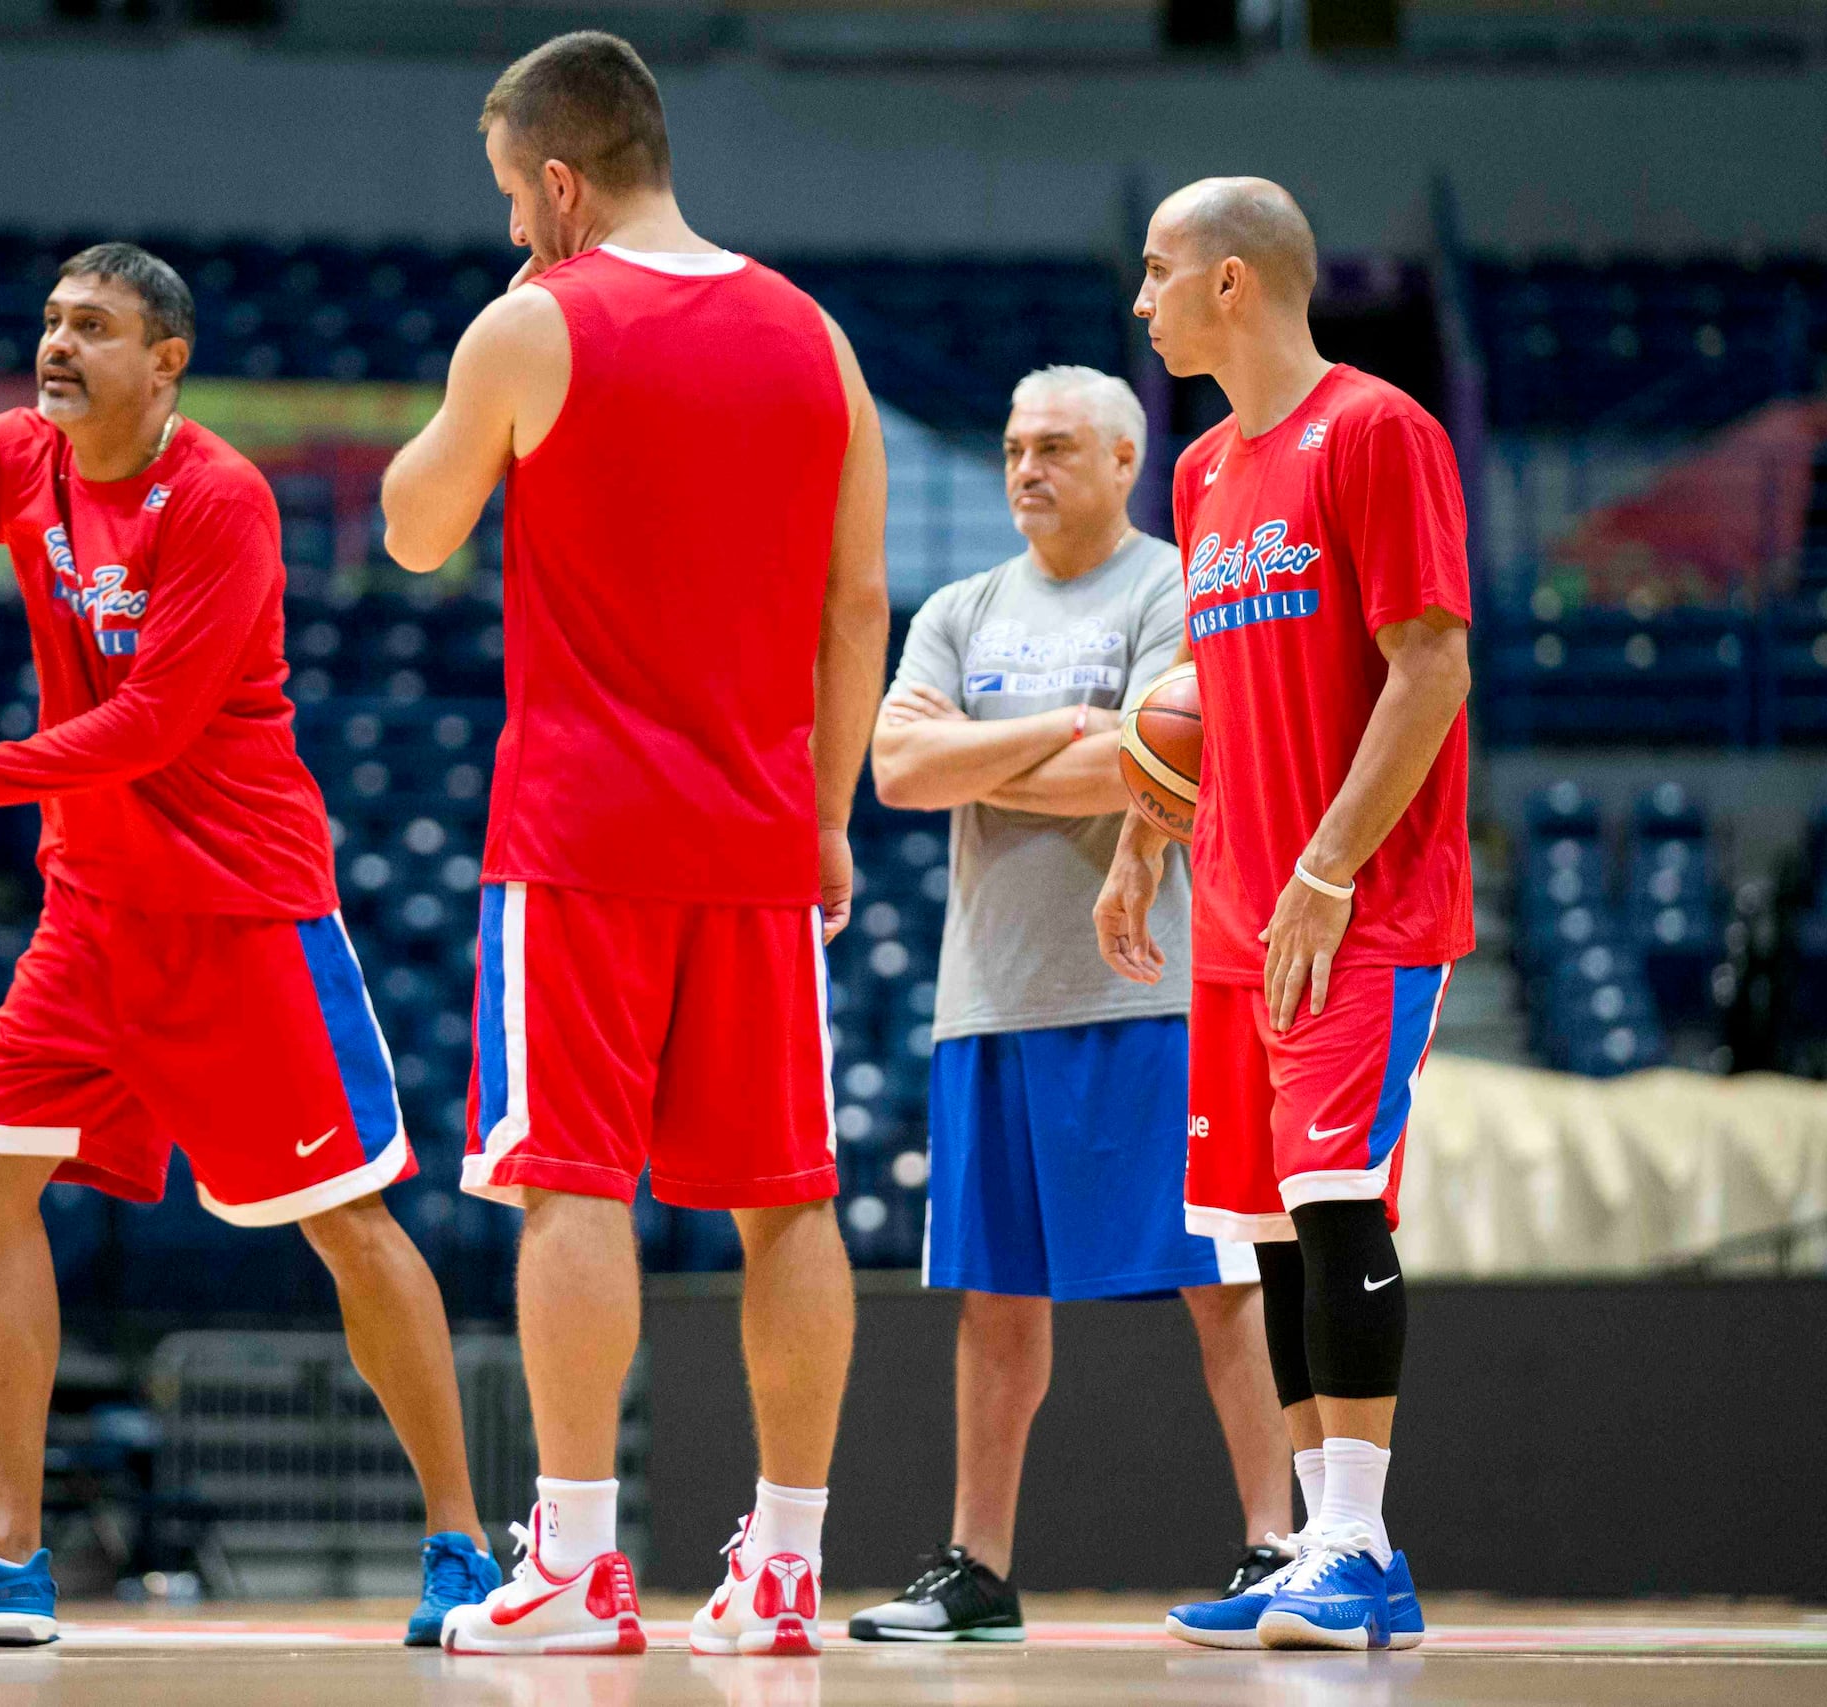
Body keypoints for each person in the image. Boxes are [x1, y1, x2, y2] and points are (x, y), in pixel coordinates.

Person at [0, 139, 500, 1648]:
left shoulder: (220, 500)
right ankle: (1, 1551)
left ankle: (462, 1543)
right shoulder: (21, 461)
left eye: (92, 324)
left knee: (350, 1226)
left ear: (165, 362)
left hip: (239, 914)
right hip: (93, 914)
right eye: (51, 319)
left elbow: (150, 728)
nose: (55, 341)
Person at [379, 32, 890, 1659]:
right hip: (758, 827)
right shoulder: (817, 335)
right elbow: (857, 599)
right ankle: (789, 1567)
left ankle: (583, 1561)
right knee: (787, 1198)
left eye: (509, 195)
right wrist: (826, 821)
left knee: (569, 1181)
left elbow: (411, 525)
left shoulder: (533, 321)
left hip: (584, 826)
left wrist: (484, 361)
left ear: (555, 179)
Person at [847, 366, 1294, 1644]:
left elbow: (1153, 763)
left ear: (1119, 459)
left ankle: (1277, 1541)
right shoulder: (956, 608)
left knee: (1221, 1283)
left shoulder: (1172, 586)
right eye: (1009, 448)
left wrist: (1005, 757)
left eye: (1052, 447)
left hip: (1153, 993)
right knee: (994, 1300)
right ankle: (976, 1570)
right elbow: (897, 768)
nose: (1024, 469)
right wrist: (1065, 729)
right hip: (988, 1000)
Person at [1099, 177, 1471, 1653]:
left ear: (1235, 280)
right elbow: (1212, 704)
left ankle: (1366, 1547)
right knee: (1259, 1226)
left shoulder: (1379, 432)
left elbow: (1429, 667)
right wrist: (1143, 834)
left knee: (1333, 1206)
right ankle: (1319, 1537)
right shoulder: (1197, 476)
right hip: (1236, 903)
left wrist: (1326, 868)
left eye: (1157, 272)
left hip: (1360, 900)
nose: (1143, 300)